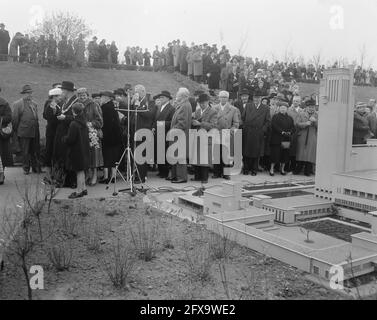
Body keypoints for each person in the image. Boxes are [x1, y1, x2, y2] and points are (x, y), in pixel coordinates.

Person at [53, 81, 78, 187]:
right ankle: (64, 180)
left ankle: (72, 181)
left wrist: (65, 118)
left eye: (63, 90)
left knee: (70, 157)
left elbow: (79, 118)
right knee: (63, 156)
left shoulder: (76, 102)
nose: (61, 92)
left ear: (67, 91)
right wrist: (56, 112)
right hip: (63, 132)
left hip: (71, 132)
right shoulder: (64, 102)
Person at [129, 85, 157, 183]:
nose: (136, 94)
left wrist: (137, 106)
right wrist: (132, 103)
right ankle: (134, 175)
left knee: (142, 155)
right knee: (135, 155)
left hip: (144, 132)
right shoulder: (135, 102)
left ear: (143, 91)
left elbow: (150, 114)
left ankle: (141, 176)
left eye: (137, 92)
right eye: (135, 92)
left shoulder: (150, 101)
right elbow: (131, 114)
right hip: (134, 131)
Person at [12, 85, 42, 175]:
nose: (30, 95)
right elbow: (15, 119)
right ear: (23, 94)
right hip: (24, 132)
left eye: (30, 93)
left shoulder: (34, 104)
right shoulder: (18, 104)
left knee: (35, 150)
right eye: (28, 93)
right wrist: (17, 130)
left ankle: (36, 168)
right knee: (25, 151)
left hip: (35, 131)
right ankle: (26, 168)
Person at [77, 88, 104, 186]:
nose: (82, 97)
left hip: (93, 134)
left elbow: (100, 121)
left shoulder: (93, 105)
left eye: (83, 95)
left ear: (87, 95)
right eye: (80, 95)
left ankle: (94, 176)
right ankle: (87, 174)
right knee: (85, 156)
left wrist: (90, 124)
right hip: (82, 134)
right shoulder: (77, 105)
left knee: (94, 156)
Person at [63, 102, 90, 199]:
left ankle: (79, 191)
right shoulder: (84, 122)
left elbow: (71, 139)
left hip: (77, 151)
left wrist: (64, 138)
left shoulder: (74, 124)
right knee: (82, 170)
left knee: (79, 171)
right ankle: (84, 188)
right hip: (84, 150)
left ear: (73, 111)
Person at [191, 93, 218, 183]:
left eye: (204, 103)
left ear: (207, 102)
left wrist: (199, 124)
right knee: (197, 156)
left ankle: (204, 178)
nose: (202, 105)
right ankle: (197, 176)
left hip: (207, 137)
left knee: (205, 158)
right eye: (200, 103)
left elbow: (213, 125)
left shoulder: (213, 111)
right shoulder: (198, 111)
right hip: (198, 136)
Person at [167, 88, 192, 183]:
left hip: (179, 136)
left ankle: (181, 177)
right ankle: (175, 176)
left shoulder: (185, 106)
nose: (176, 96)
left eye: (178, 95)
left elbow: (182, 123)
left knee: (180, 157)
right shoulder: (183, 105)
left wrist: (172, 130)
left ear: (183, 96)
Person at [213, 91, 240, 180]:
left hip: (227, 133)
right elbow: (212, 121)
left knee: (226, 154)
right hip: (217, 133)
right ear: (219, 98)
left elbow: (236, 123)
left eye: (225, 97)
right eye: (221, 97)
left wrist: (230, 132)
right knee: (217, 153)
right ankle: (216, 173)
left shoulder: (233, 109)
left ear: (228, 99)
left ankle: (226, 173)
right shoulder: (214, 108)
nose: (223, 99)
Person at [242, 95, 271, 176]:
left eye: (258, 98)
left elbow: (268, 121)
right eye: (255, 97)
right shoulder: (248, 105)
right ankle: (246, 168)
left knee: (256, 152)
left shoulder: (265, 108)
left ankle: (254, 169)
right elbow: (243, 117)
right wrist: (245, 127)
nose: (256, 99)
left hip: (258, 132)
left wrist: (263, 130)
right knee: (246, 151)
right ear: (253, 98)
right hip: (248, 131)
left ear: (261, 98)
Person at [99, 91, 122, 184]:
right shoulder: (112, 106)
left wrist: (102, 134)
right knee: (113, 157)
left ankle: (107, 177)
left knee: (107, 157)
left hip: (108, 136)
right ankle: (112, 176)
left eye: (102, 97)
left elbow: (106, 124)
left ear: (107, 98)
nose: (101, 99)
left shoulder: (105, 107)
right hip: (114, 136)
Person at [153, 91, 175, 178]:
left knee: (164, 152)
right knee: (159, 152)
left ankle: (164, 172)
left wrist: (162, 123)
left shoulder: (171, 108)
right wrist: (154, 127)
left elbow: (172, 122)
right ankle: (160, 170)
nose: (161, 99)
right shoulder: (159, 107)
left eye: (162, 97)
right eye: (160, 97)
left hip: (165, 132)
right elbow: (155, 120)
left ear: (167, 99)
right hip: (158, 132)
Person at [43, 86, 63, 183]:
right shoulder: (52, 105)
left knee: (52, 152)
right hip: (52, 132)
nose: (60, 98)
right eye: (59, 96)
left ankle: (51, 175)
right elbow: (50, 118)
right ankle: (48, 176)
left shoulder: (55, 104)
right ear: (54, 96)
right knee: (50, 152)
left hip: (53, 131)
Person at [269, 104, 295, 176]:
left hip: (286, 138)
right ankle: (271, 169)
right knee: (275, 154)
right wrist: (281, 132)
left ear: (287, 109)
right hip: (276, 138)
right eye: (281, 108)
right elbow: (274, 125)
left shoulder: (290, 118)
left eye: (284, 108)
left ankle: (282, 169)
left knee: (285, 154)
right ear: (279, 108)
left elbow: (293, 127)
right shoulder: (275, 116)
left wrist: (290, 132)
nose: (283, 109)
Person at [294, 100, 318, 176]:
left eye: (313, 107)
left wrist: (315, 122)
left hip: (312, 136)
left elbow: (322, 126)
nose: (311, 108)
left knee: (310, 154)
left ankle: (308, 171)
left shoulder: (317, 115)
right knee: (301, 153)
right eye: (310, 107)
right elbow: (297, 123)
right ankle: (298, 169)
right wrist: (306, 124)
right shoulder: (301, 114)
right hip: (302, 136)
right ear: (307, 107)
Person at [0, 90, 12, 184]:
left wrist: (1, 119)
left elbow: (9, 117)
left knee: (1, 156)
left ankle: (1, 175)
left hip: (1, 134)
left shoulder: (4, 103)